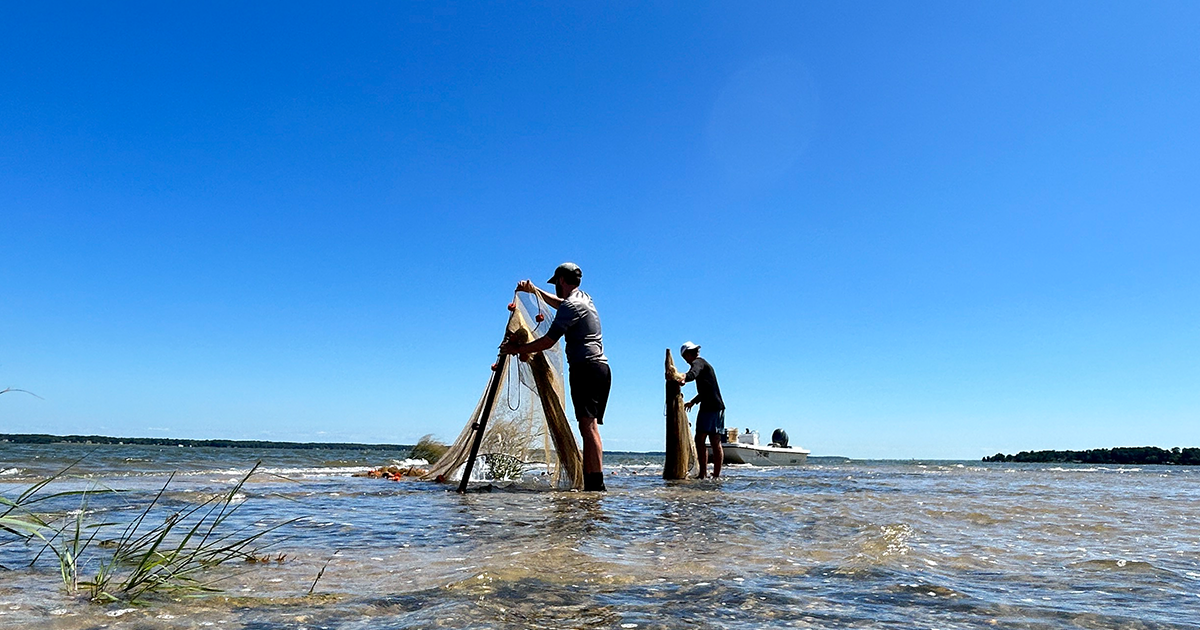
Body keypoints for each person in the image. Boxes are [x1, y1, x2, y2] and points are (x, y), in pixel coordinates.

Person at [500, 262, 611, 491]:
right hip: (599, 368)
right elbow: (561, 303)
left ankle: (595, 485)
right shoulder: (584, 299)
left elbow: (548, 341)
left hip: (586, 368)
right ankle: (593, 481)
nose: (556, 288)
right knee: (589, 427)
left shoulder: (572, 305)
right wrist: (535, 291)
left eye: (556, 283)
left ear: (561, 280)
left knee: (588, 428)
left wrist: (518, 350)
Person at [674, 341, 725, 479]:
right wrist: (693, 402)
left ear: (687, 355)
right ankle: (714, 475)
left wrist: (683, 378)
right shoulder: (703, 363)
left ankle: (704, 473)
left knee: (702, 439)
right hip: (715, 406)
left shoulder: (698, 363)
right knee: (714, 440)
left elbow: (693, 373)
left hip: (711, 408)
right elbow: (707, 389)